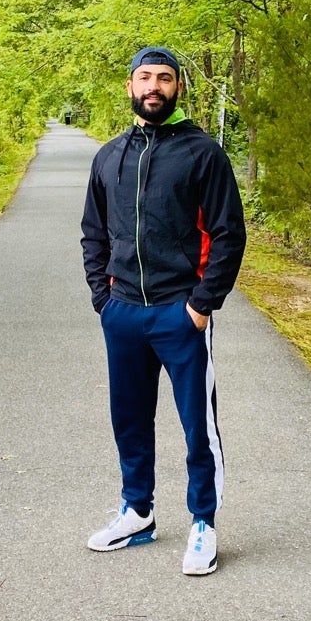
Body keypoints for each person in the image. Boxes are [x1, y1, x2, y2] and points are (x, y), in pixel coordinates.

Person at [80, 47, 247, 576]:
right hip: (123, 313)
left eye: (165, 78)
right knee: (129, 420)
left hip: (181, 315)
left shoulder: (203, 154)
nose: (154, 86)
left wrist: (201, 307)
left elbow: (229, 236)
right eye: (145, 77)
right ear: (130, 86)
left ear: (178, 88)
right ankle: (137, 511)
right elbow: (93, 233)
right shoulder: (109, 156)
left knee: (198, 426)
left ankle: (203, 522)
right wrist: (102, 300)